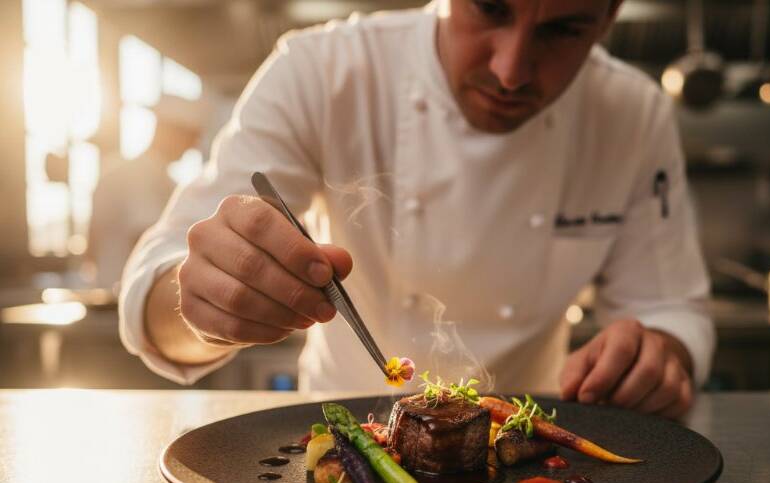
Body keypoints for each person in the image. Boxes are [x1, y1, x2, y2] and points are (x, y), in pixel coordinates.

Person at [119, 0, 715, 420]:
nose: (510, 72)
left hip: (528, 466)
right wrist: (202, 305)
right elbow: (155, 294)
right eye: (490, 8)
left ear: (608, 17)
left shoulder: (633, 114)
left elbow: (669, 307)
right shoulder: (320, 70)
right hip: (345, 452)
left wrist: (660, 354)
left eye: (561, 32)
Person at [87, 95, 208, 290]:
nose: (192, 147)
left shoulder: (150, 175)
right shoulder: (140, 176)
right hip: (122, 295)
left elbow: (90, 241)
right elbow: (146, 236)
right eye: (190, 137)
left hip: (121, 291)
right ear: (168, 132)